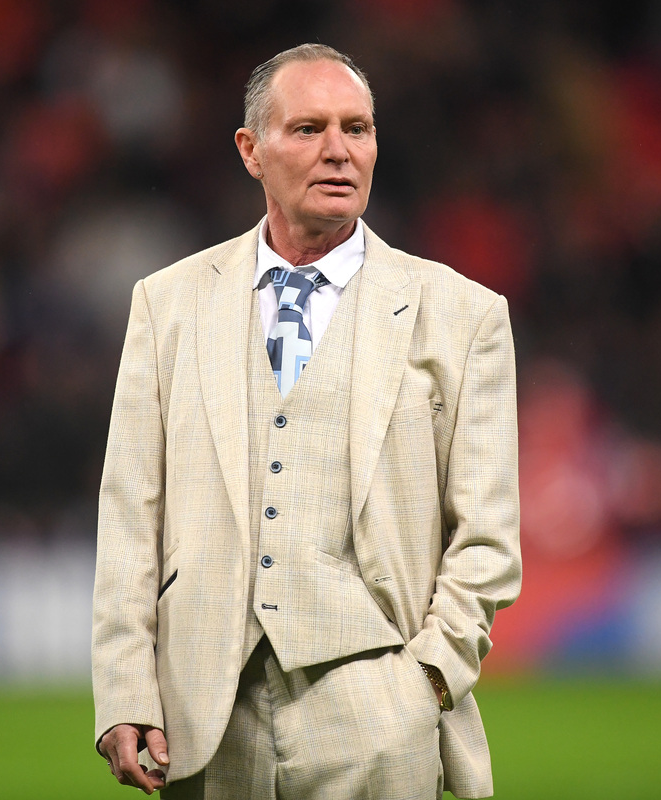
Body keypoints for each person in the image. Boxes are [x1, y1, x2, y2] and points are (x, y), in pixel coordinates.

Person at [92, 43, 521, 800]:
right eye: (309, 129)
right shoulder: (168, 304)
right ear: (251, 152)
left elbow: (488, 536)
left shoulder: (463, 314)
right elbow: (131, 516)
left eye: (357, 129)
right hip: (203, 723)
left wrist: (423, 684)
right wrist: (126, 690)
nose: (338, 152)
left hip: (378, 718)